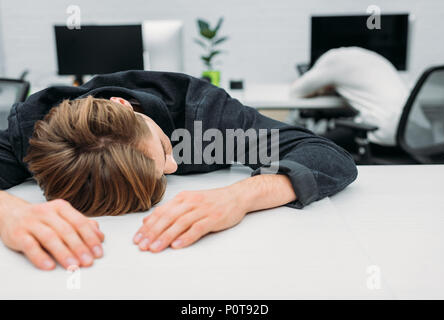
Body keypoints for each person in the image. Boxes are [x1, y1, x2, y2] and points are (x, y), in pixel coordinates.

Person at [0, 70, 357, 270]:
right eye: (166, 156)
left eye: (165, 149)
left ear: (124, 107)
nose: (173, 165)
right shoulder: (30, 131)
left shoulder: (204, 115)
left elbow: (328, 155)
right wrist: (9, 211)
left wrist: (241, 196)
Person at [290, 47, 409, 152]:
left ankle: (274, 165)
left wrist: (320, 90)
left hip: (379, 133)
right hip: (407, 134)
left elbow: (297, 91)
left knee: (309, 145)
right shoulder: (370, 57)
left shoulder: (332, 60)